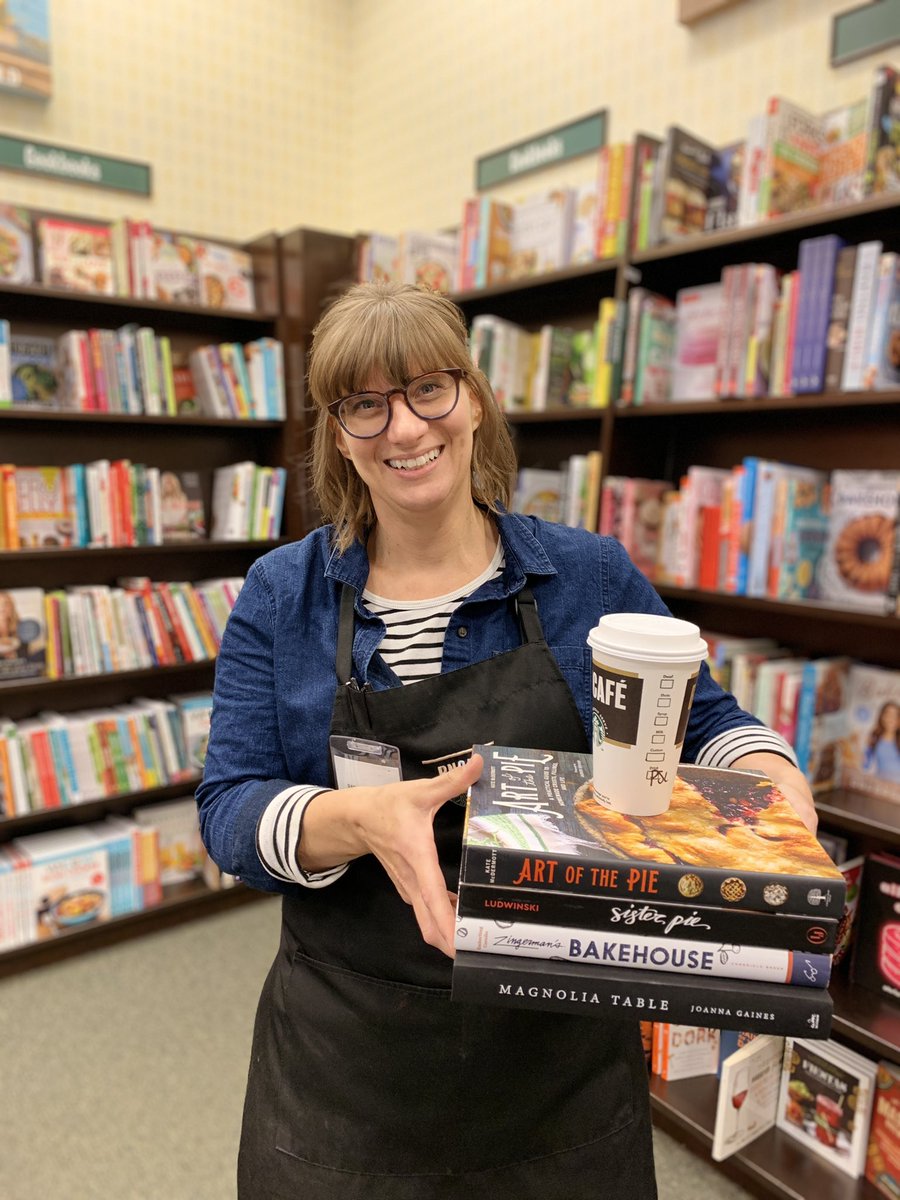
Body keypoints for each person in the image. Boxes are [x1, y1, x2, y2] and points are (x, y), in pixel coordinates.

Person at [197, 281, 817, 1200]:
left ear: (474, 398)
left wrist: (773, 787)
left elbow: (707, 721)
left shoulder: (585, 575)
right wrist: (363, 820)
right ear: (338, 433)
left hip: (556, 1062)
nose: (404, 429)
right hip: (347, 1062)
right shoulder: (282, 594)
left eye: (428, 390)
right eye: (364, 404)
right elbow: (229, 807)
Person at [863, 700, 900, 783]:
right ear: (882, 717)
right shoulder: (874, 738)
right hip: (881, 786)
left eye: (895, 715)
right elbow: (866, 765)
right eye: (888, 714)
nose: (891, 718)